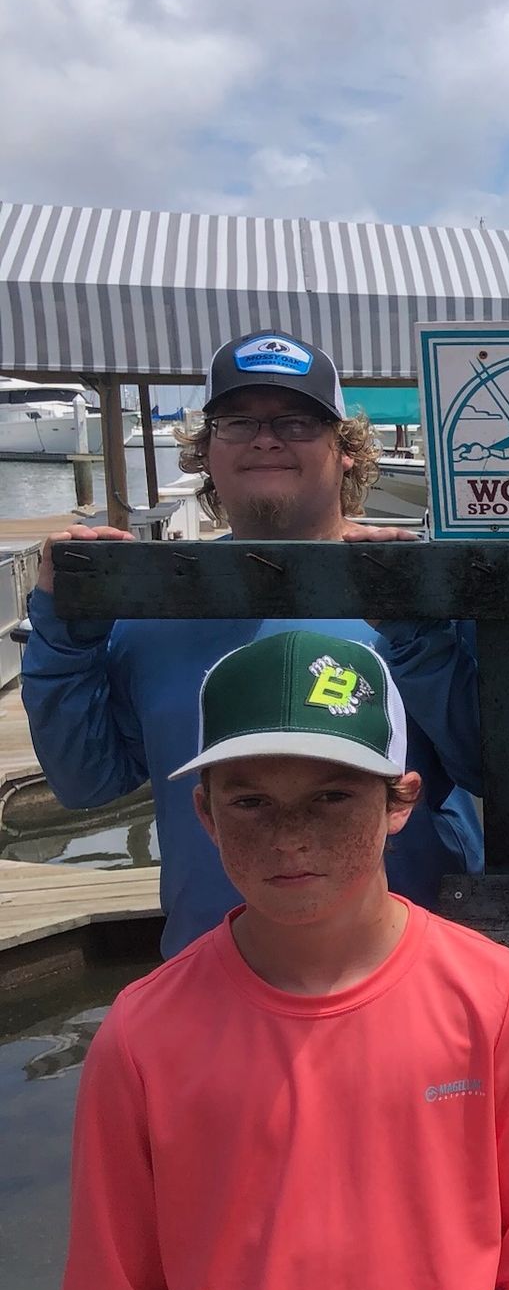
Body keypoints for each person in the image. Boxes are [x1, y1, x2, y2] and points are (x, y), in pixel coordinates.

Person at [55, 629, 509, 1290]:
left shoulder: (489, 996)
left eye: (332, 796)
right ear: (205, 813)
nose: (290, 837)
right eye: (251, 803)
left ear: (400, 801)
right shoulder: (140, 1036)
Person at [23, 330, 483, 958]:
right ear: (206, 450)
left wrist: (421, 636)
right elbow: (86, 782)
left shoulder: (425, 589)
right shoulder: (151, 609)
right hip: (210, 978)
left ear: (345, 449)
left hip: (414, 976)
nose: (267, 438)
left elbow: (489, 767)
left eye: (297, 422)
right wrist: (64, 631)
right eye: (238, 422)